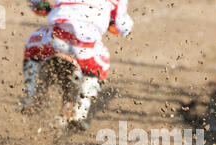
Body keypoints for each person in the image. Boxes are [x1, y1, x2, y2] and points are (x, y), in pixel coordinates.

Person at [20, 0, 133, 130]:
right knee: (102, 63)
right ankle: (80, 111)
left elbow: (37, 3)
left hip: (56, 40)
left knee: (31, 43)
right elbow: (124, 27)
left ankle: (31, 93)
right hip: (86, 48)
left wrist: (43, 5)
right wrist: (111, 22)